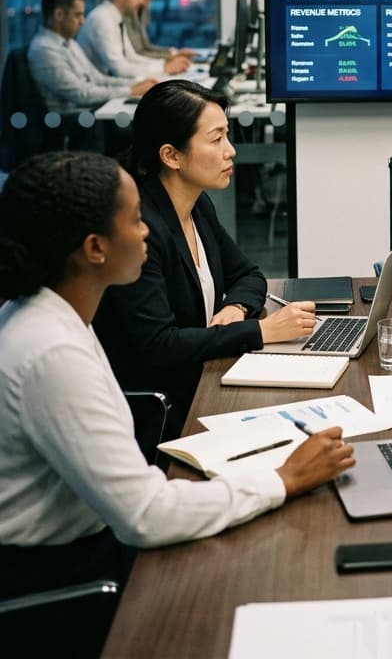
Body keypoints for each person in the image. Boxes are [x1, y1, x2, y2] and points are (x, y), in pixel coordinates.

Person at [0, 151, 354, 599]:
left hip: (89, 530)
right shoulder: (50, 353)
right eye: (134, 221)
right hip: (64, 571)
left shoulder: (45, 313)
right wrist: (283, 479)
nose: (147, 230)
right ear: (95, 248)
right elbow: (147, 514)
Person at [93, 80, 316, 434]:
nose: (231, 151)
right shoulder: (139, 231)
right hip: (164, 410)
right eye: (216, 140)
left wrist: (235, 309)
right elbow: (160, 346)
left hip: (202, 377)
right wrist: (259, 330)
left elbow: (249, 274)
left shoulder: (196, 205)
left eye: (227, 137)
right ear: (171, 156)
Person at [27, 0, 157, 114]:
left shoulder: (70, 43)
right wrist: (131, 91)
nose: (82, 21)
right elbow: (81, 95)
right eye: (77, 15)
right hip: (76, 123)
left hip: (91, 113)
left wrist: (137, 84)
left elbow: (98, 79)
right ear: (59, 15)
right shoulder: (44, 49)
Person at [80, 0, 190, 80]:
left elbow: (131, 57)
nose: (141, 1)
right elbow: (119, 68)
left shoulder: (114, 17)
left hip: (110, 85)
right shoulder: (103, 19)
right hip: (102, 90)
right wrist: (164, 68)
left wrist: (164, 66)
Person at [123, 0, 196, 62]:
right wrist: (171, 58)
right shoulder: (126, 16)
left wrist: (174, 53)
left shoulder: (141, 12)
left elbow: (145, 47)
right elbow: (138, 53)